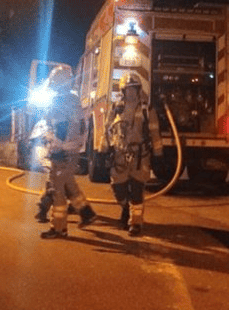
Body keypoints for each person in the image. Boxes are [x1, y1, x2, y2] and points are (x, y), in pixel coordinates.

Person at [38, 65, 97, 239]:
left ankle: (58, 228)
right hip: (67, 151)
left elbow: (65, 128)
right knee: (68, 184)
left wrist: (56, 144)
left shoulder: (65, 101)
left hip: (64, 152)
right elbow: (56, 124)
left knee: (58, 190)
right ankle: (86, 213)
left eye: (55, 83)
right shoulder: (69, 100)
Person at [102, 72, 163, 236]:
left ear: (138, 90)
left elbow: (155, 131)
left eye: (133, 89)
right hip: (119, 156)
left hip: (140, 156)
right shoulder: (116, 108)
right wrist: (103, 148)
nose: (130, 92)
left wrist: (158, 153)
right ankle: (125, 208)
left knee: (137, 190)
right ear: (123, 91)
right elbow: (107, 128)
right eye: (127, 89)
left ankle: (136, 223)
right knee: (118, 188)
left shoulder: (146, 109)